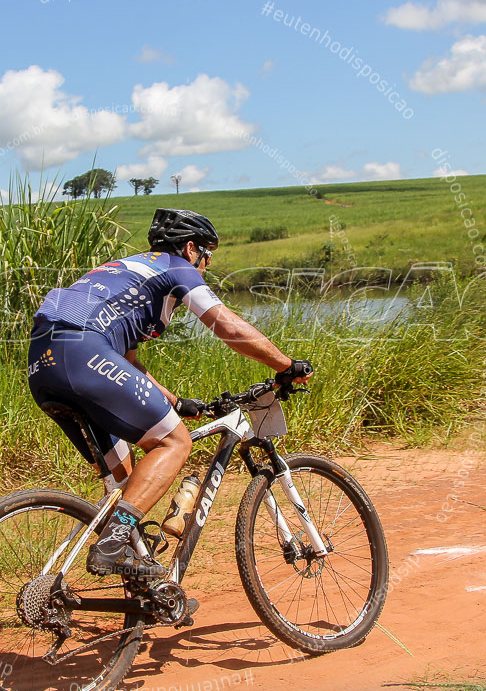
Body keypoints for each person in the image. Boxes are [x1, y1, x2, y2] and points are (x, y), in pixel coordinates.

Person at [27, 208, 311, 579]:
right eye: (207, 255)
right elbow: (227, 327)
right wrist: (284, 365)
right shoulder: (176, 268)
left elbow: (126, 362)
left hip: (44, 365)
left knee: (127, 482)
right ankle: (112, 545)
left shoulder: (124, 271)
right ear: (191, 248)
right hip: (83, 354)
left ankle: (135, 579)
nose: (206, 265)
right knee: (175, 443)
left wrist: (176, 402)